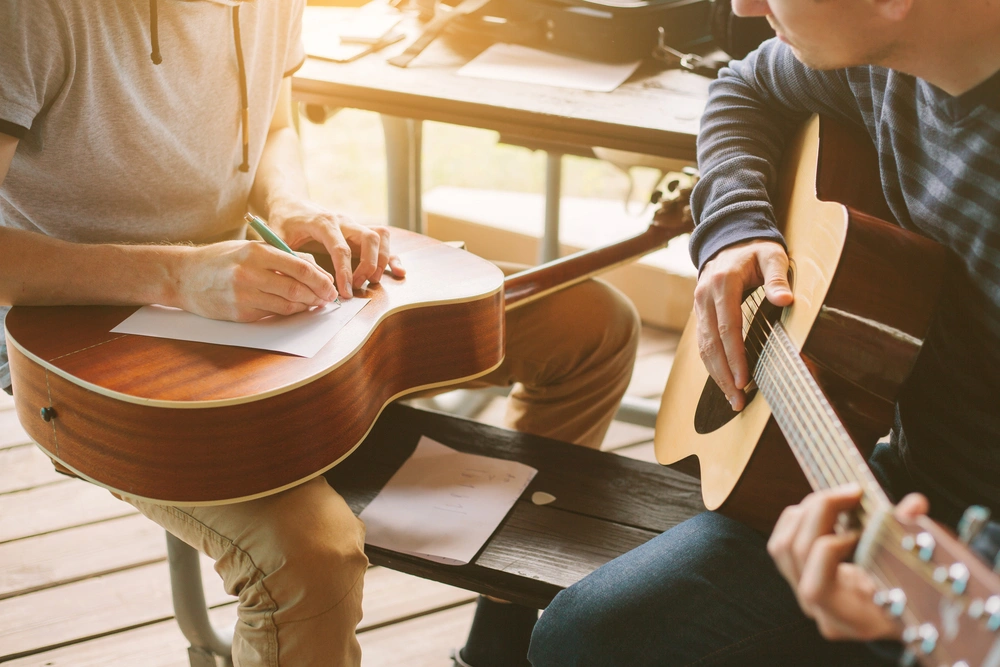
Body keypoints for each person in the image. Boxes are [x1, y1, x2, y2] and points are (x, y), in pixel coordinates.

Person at [0, 1, 641, 665]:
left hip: (239, 283)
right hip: (83, 346)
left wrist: (292, 208)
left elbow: (275, 124)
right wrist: (177, 276)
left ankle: (499, 644)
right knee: (312, 558)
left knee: (591, 324)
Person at [528, 0, 1000, 664]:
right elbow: (743, 89)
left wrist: (919, 604)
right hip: (905, 486)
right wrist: (736, 227)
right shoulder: (888, 61)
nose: (742, 5)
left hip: (962, 579)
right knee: (585, 634)